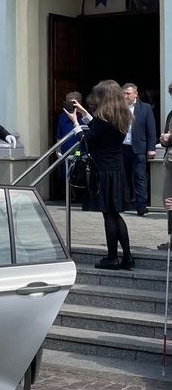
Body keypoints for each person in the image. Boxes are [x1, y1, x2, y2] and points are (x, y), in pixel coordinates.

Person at [66, 79, 134, 270]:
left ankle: (112, 257)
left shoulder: (105, 118)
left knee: (109, 215)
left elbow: (88, 139)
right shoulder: (122, 114)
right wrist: (84, 113)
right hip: (116, 169)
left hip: (103, 170)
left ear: (104, 96)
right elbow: (99, 128)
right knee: (115, 214)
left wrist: (75, 123)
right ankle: (127, 257)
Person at [121, 83, 156, 215]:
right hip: (122, 147)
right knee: (123, 177)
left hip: (139, 148)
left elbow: (151, 129)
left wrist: (151, 148)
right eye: (124, 93)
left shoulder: (145, 108)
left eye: (128, 93)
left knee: (139, 177)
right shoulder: (120, 108)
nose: (125, 96)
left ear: (136, 94)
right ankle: (124, 203)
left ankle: (141, 205)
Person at [158, 81, 172, 250]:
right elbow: (165, 135)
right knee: (167, 199)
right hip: (170, 161)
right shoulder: (170, 114)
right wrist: (163, 139)